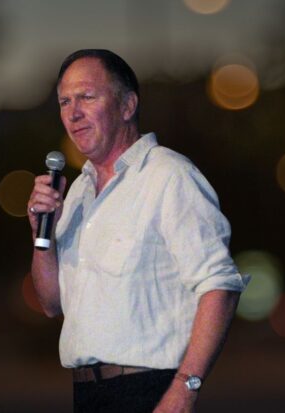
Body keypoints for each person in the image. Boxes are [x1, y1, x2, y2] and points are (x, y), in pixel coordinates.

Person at [27, 49, 249, 413]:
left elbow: (219, 285)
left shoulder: (168, 176)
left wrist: (185, 388)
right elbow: (51, 304)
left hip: (151, 390)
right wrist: (41, 238)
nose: (73, 112)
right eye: (65, 101)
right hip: (87, 395)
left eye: (87, 97)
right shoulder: (77, 192)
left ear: (127, 105)